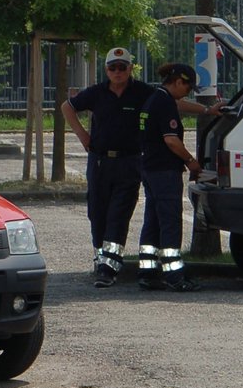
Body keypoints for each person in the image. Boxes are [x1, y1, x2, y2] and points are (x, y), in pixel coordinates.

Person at [62, 47, 216, 287]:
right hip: (102, 160)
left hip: (130, 161)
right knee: (99, 212)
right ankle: (109, 261)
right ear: (107, 70)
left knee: (121, 213)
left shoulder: (145, 93)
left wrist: (206, 110)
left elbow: (177, 105)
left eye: (122, 67)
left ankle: (110, 268)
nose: (117, 72)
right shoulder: (97, 93)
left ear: (130, 68)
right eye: (113, 67)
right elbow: (67, 107)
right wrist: (83, 135)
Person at [136, 62, 205, 292]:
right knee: (170, 222)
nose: (188, 92)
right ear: (178, 82)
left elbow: (180, 105)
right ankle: (174, 275)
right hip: (164, 171)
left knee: (153, 221)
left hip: (150, 168)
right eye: (188, 87)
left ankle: (147, 272)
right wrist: (191, 161)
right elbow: (171, 140)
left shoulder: (154, 98)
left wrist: (207, 110)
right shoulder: (164, 102)